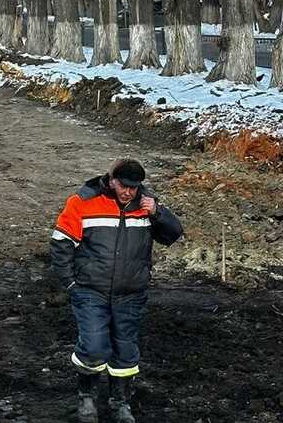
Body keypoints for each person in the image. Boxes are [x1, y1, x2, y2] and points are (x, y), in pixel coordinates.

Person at [50, 158, 183, 423]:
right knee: (94, 345)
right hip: (90, 290)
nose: (129, 192)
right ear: (112, 181)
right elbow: (61, 242)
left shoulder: (146, 205)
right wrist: (70, 283)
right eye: (124, 186)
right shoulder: (83, 202)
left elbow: (173, 234)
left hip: (131, 294)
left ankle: (120, 401)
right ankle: (86, 397)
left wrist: (158, 213)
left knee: (126, 351)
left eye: (134, 187)